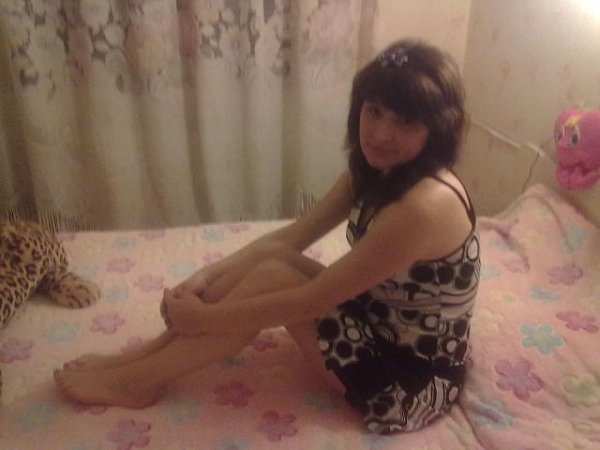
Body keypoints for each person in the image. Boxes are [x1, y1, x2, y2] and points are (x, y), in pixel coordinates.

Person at [54, 38, 480, 435]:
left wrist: (204, 318)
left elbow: (311, 301)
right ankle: (141, 361)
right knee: (272, 262)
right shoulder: (378, 169)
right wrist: (204, 278)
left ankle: (136, 381)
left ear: (436, 129)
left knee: (274, 278)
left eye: (404, 122)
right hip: (378, 319)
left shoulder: (422, 207)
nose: (380, 133)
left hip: (407, 378)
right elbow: (292, 237)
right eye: (374, 112)